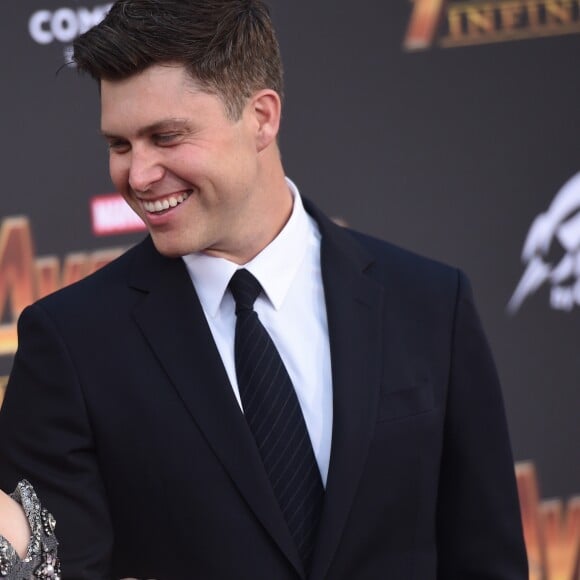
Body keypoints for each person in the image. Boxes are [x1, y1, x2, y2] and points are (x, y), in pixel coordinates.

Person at [0, 0, 528, 578]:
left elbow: (486, 559)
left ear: (262, 118)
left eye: (167, 136)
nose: (139, 174)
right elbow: (60, 565)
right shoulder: (72, 342)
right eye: (120, 145)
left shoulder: (429, 303)